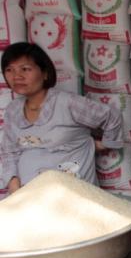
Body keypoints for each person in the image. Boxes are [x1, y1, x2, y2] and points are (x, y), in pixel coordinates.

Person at [0, 42, 123, 193]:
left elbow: (111, 116)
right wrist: (13, 184)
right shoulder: (13, 110)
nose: (17, 76)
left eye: (25, 69)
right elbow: (9, 151)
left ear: (45, 73)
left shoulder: (67, 103)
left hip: (72, 198)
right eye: (9, 70)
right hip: (30, 199)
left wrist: (103, 144)